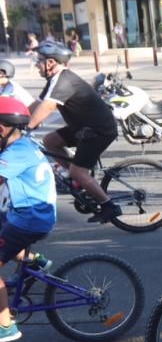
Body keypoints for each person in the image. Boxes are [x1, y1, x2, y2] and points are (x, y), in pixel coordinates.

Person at [27, 41, 121, 223]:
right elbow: (37, 104)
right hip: (84, 127)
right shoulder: (54, 80)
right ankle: (79, 179)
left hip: (99, 130)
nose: (37, 64)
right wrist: (15, 119)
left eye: (40, 60)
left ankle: (109, 206)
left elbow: (48, 106)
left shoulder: (65, 81)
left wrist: (28, 127)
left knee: (79, 171)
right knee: (50, 141)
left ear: (51, 62)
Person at [0, 98, 56, 342]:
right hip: (30, 215)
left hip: (29, 219)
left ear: (2, 128)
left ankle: (5, 326)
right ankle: (36, 262)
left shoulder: (15, 154)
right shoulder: (22, 144)